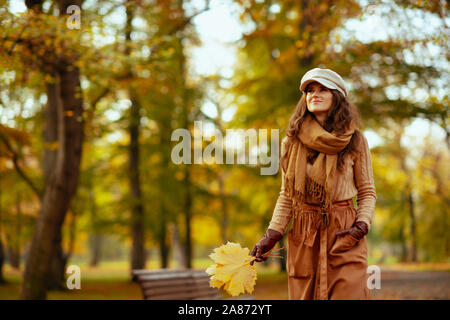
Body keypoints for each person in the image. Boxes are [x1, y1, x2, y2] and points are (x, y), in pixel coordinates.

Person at [250, 67, 377, 300]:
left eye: (322, 89)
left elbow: (367, 192)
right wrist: (271, 235)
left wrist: (361, 226)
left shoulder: (356, 140)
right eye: (309, 90)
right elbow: (287, 195)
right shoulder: (292, 142)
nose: (313, 94)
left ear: (337, 96)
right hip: (305, 233)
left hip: (344, 232)